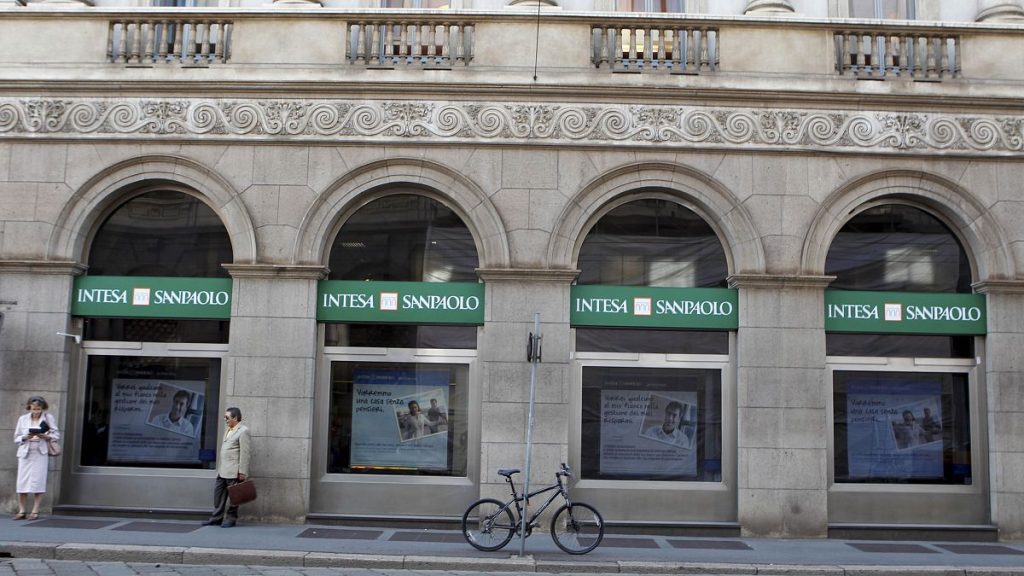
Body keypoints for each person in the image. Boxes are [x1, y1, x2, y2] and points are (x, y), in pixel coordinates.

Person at [13, 396, 61, 520]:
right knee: (22, 482)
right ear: (29, 407)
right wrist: (25, 437)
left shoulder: (48, 418)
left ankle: (35, 510)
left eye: (38, 409)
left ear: (43, 407)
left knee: (38, 481)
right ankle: (22, 510)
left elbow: (56, 434)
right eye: (33, 409)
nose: (36, 411)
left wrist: (45, 436)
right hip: (25, 453)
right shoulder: (23, 419)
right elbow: (16, 437)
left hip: (40, 452)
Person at [202, 407, 250, 528]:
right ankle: (216, 518)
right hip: (223, 470)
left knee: (235, 497)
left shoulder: (243, 431)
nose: (225, 419)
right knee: (218, 495)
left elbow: (245, 453)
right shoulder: (228, 429)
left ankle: (231, 519)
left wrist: (242, 472)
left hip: (233, 471)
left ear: (235, 418)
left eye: (227, 417)